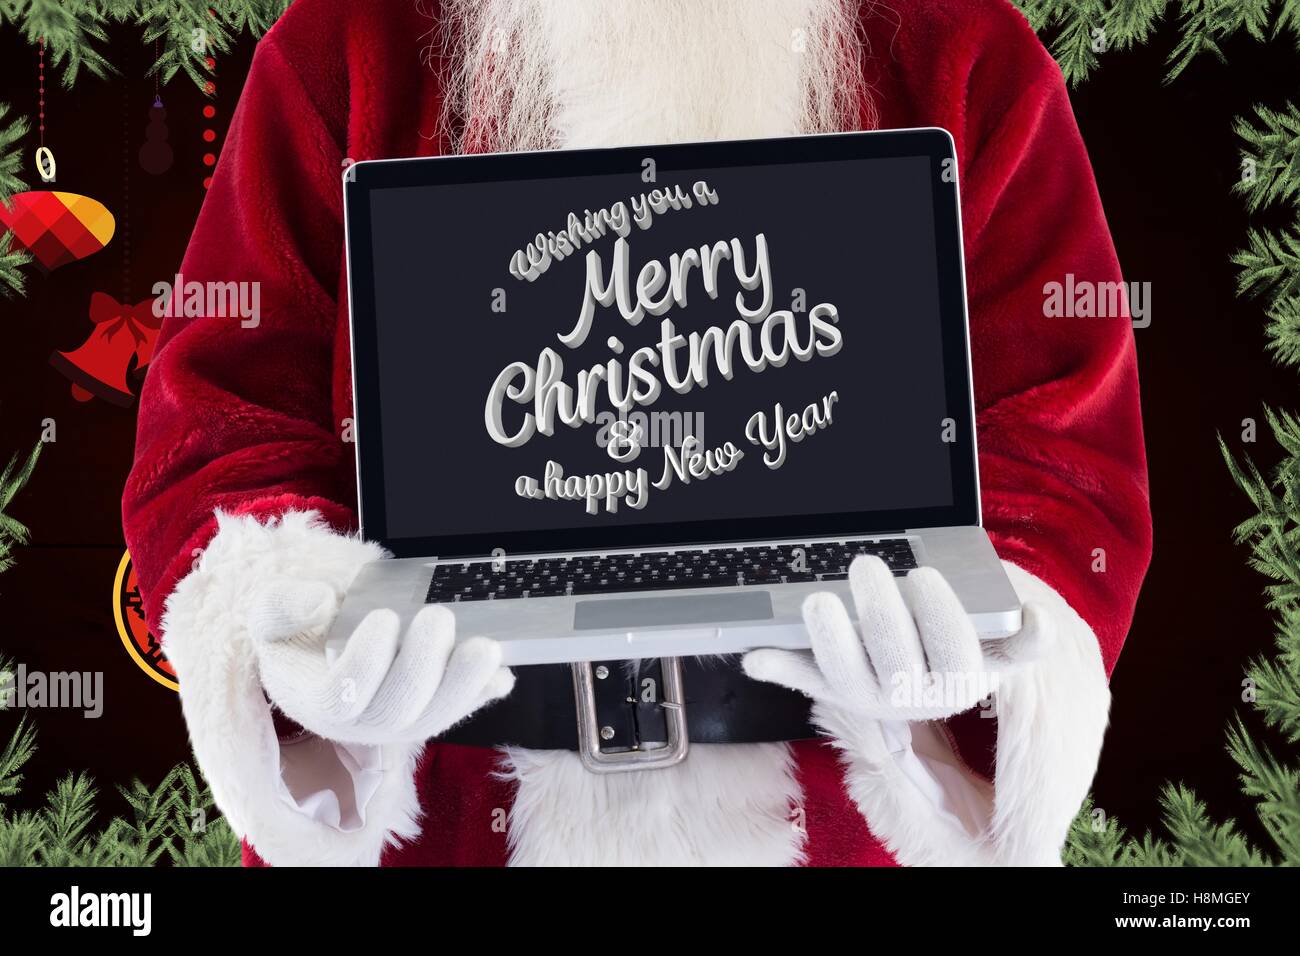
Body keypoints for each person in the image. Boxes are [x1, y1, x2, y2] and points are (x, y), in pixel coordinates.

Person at [122, 0, 1152, 866]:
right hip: (446, 821)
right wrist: (296, 624)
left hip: (841, 827)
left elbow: (1060, 452)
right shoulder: (343, 39)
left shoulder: (961, 47)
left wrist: (987, 637)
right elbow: (221, 425)